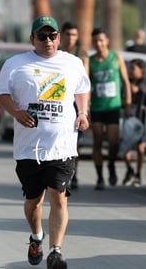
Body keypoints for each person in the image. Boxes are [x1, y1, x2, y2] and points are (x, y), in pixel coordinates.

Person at [0, 15, 90, 269]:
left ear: (58, 37)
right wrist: (16, 112)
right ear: (32, 39)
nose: (48, 40)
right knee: (33, 201)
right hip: (29, 147)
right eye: (42, 36)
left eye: (53, 36)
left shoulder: (72, 63)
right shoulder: (16, 64)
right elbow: (0, 92)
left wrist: (82, 112)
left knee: (59, 197)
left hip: (62, 145)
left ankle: (56, 251)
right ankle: (36, 235)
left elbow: (82, 89)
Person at [89, 27, 132, 190]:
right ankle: (100, 177)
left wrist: (127, 104)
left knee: (113, 142)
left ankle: (112, 165)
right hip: (98, 107)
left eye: (101, 40)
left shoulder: (116, 57)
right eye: (95, 41)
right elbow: (86, 84)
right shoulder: (91, 62)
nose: (98, 44)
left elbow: (126, 82)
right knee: (98, 141)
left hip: (113, 106)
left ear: (107, 41)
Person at [59, 21, 89, 190]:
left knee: (75, 141)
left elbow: (86, 83)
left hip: (77, 103)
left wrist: (84, 110)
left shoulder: (82, 55)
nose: (71, 38)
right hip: (60, 101)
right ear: (62, 36)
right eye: (68, 34)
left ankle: (73, 173)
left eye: (74, 35)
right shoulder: (56, 53)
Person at [121, 59, 146, 187]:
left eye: (133, 69)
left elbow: (140, 90)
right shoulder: (126, 83)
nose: (130, 71)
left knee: (140, 148)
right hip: (127, 122)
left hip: (140, 122)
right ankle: (129, 170)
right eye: (129, 68)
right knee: (124, 148)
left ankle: (138, 174)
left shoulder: (144, 83)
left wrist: (131, 88)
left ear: (141, 71)